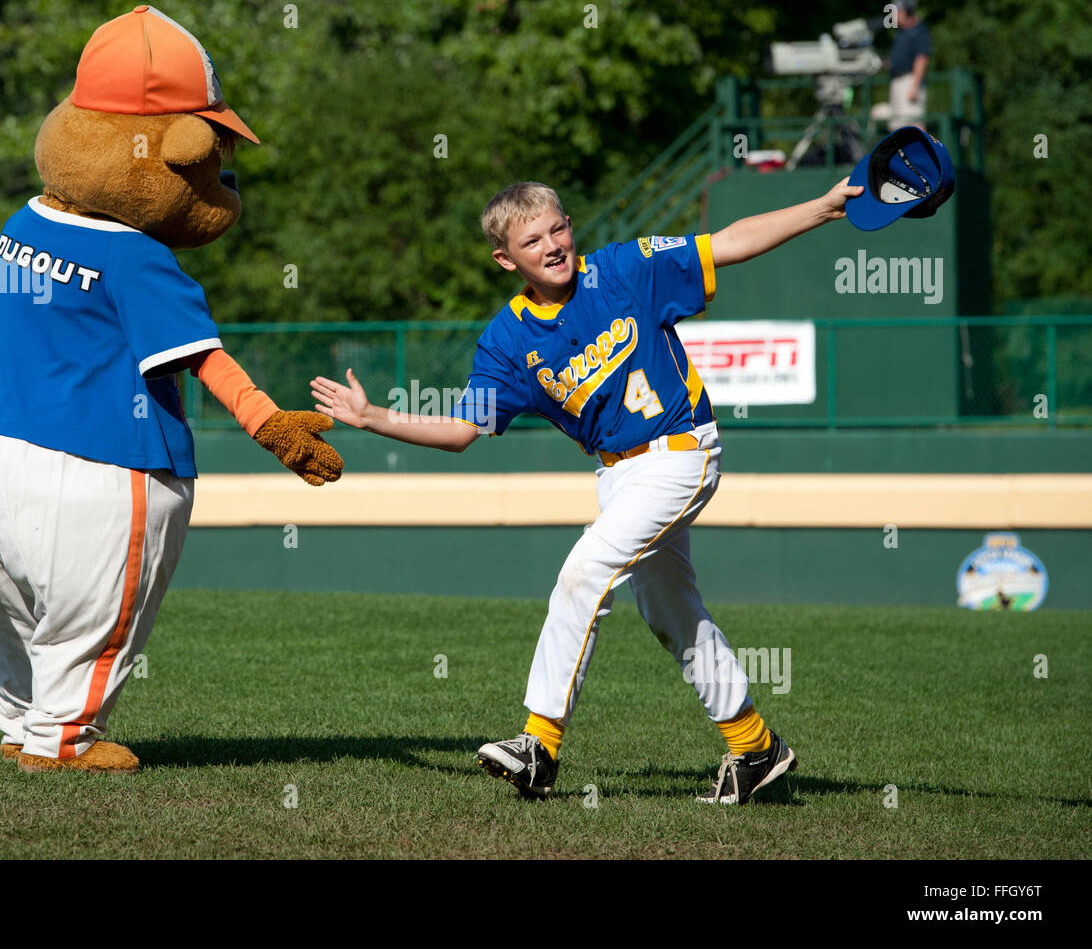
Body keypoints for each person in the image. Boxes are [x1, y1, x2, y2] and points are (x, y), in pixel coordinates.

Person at [312, 177, 861, 804]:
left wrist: (823, 207)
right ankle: (755, 747)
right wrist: (375, 416)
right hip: (619, 475)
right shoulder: (508, 339)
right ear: (505, 258)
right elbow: (463, 428)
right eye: (532, 239)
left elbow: (728, 243)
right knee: (669, 608)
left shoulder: (624, 269)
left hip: (680, 451)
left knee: (585, 570)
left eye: (557, 228)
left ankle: (539, 745)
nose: (552, 244)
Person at [886, 0, 931, 131]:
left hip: (909, 81)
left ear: (907, 12)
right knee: (897, 126)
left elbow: (921, 59)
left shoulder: (919, 31)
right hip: (897, 81)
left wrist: (914, 85)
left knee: (913, 125)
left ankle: (922, 153)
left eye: (898, 11)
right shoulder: (901, 32)